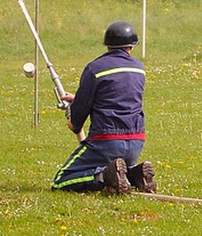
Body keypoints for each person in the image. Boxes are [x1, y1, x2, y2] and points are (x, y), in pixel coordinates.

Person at [51, 20, 157, 194]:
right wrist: (78, 99)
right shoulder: (139, 69)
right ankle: (137, 176)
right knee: (118, 169)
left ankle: (103, 177)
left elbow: (79, 114)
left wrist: (74, 121)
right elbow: (117, 97)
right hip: (136, 142)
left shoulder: (95, 69)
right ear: (132, 46)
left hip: (107, 141)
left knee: (62, 180)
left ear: (107, 45)